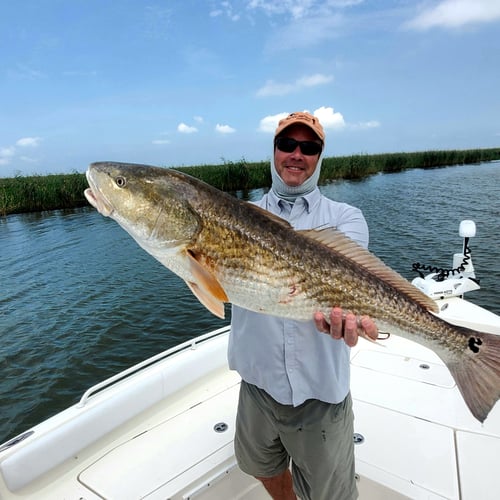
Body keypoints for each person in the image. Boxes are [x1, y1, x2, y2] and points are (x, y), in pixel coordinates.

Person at [228, 111, 379, 500]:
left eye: (308, 147)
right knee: (260, 465)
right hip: (257, 385)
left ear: (319, 156)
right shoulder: (238, 219)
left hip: (320, 393)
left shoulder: (345, 218)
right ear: (274, 151)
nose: (296, 154)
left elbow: (352, 278)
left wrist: (346, 310)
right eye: (287, 145)